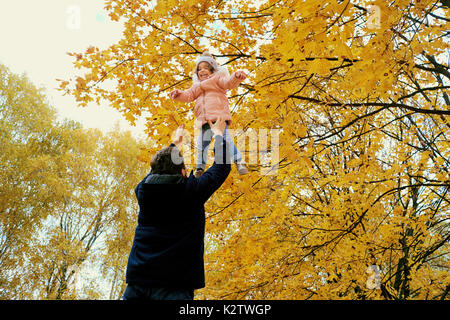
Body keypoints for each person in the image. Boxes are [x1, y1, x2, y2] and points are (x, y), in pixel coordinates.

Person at [122, 117, 232, 300]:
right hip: (174, 286)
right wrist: (220, 134)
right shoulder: (191, 191)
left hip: (138, 283)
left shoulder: (143, 191)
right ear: (182, 172)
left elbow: (156, 170)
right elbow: (221, 168)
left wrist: (174, 143)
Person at [170, 51, 249, 178]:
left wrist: (236, 76)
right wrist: (178, 94)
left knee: (226, 140)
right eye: (199, 69)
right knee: (202, 145)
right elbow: (188, 95)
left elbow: (228, 83)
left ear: (212, 70)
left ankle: (239, 162)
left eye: (206, 68)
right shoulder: (196, 86)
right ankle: (199, 169)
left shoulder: (217, 79)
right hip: (204, 120)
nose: (202, 71)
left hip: (218, 118)